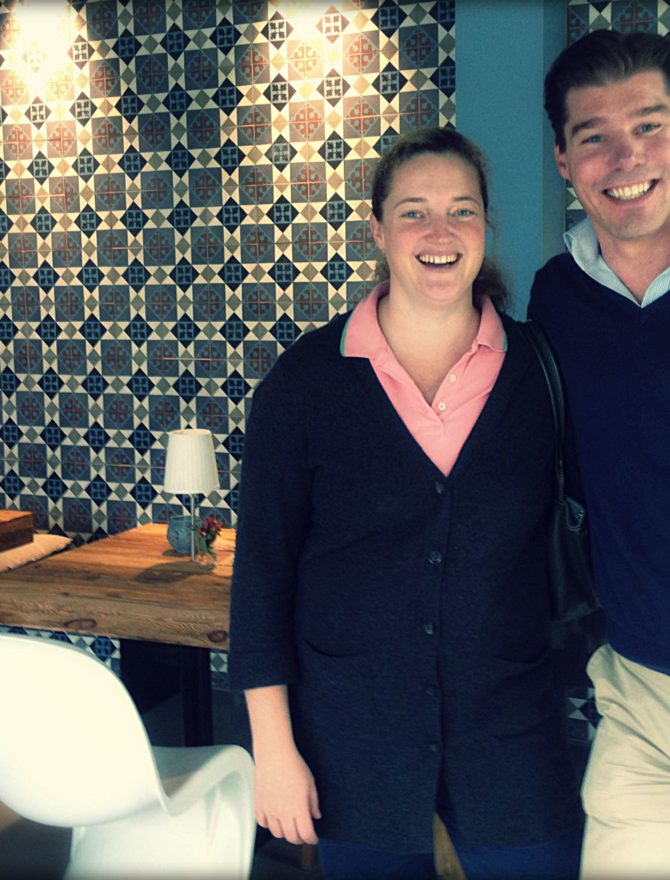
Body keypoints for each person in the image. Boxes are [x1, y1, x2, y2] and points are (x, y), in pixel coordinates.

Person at [229, 125, 583, 880]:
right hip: (353, 737)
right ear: (378, 230)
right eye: (414, 211)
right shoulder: (305, 383)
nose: (439, 232)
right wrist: (274, 750)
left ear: (486, 227)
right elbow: (261, 580)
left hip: (512, 730)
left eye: (462, 210)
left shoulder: (540, 370)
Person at [528, 29, 670, 879]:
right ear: (563, 160)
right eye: (595, 136)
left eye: (650, 125)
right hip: (639, 692)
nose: (627, 157)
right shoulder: (558, 295)